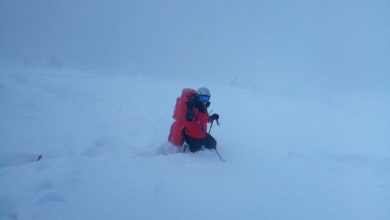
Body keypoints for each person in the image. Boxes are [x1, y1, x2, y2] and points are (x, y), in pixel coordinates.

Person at [182, 87, 219, 152]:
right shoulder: (193, 106)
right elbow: (189, 118)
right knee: (196, 152)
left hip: (202, 134)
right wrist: (190, 111)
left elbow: (203, 120)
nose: (204, 101)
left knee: (213, 144)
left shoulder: (202, 107)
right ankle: (186, 143)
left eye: (206, 99)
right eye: (203, 98)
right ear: (198, 97)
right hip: (192, 136)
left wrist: (212, 117)